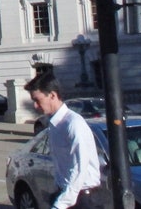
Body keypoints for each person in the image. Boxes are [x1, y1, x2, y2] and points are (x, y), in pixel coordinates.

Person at [24, 72, 110, 209]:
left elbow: (80, 165)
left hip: (83, 198)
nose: (35, 106)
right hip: (67, 194)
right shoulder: (55, 124)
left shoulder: (73, 124)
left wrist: (62, 203)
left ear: (52, 95)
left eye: (37, 100)